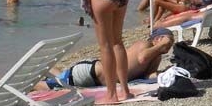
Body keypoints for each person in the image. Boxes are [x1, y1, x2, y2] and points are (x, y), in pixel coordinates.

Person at [38, 28, 175, 90]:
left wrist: (169, 74)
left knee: (62, 78)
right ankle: (31, 82)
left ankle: (47, 67)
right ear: (157, 39)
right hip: (91, 73)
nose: (168, 47)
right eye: (168, 42)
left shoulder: (156, 55)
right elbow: (142, 58)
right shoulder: (144, 44)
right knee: (52, 85)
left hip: (95, 76)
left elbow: (148, 75)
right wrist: (162, 45)